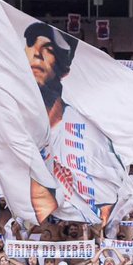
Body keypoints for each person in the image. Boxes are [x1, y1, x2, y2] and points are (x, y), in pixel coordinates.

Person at [21, 21, 125, 224]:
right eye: (31, 46)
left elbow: (107, 202)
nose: (36, 55)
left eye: (48, 50)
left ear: (64, 68)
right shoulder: (13, 121)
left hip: (74, 229)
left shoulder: (87, 132)